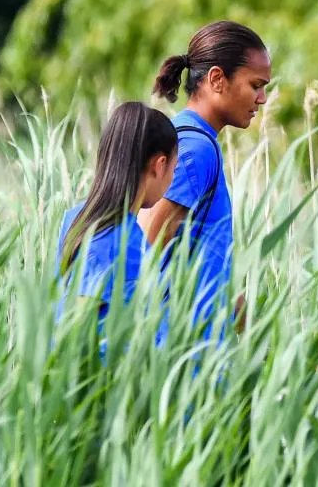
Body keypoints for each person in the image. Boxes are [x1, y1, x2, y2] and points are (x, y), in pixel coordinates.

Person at [138, 20, 271, 342]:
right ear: (216, 79)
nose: (263, 98)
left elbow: (207, 273)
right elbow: (144, 248)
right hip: (183, 355)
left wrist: (262, 337)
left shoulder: (190, 140)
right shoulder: (195, 149)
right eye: (256, 85)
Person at [55, 102, 178, 350]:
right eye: (174, 169)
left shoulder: (81, 218)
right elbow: (76, 327)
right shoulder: (112, 237)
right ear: (159, 165)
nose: (173, 179)